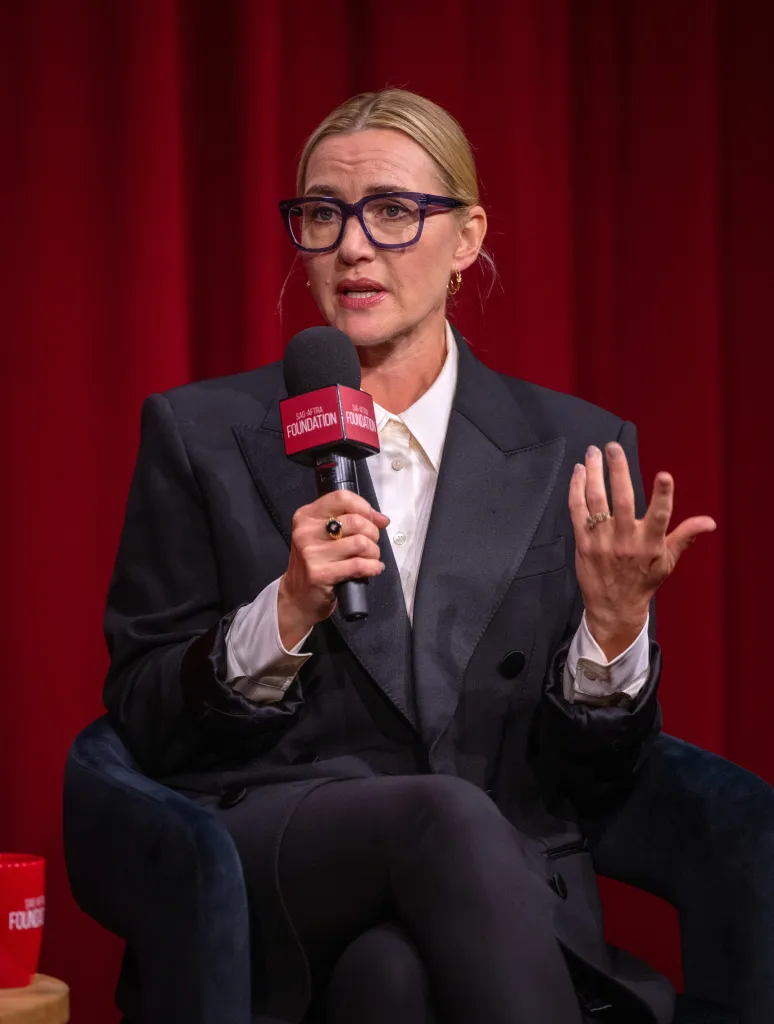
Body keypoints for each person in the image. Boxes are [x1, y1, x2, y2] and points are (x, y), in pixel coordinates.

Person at [104, 90, 716, 1024]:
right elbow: (143, 711)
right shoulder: (199, 435)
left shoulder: (574, 449)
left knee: (390, 980)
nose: (353, 246)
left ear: (468, 237)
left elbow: (592, 782)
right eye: (324, 214)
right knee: (445, 813)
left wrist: (612, 634)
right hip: (279, 850)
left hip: (490, 896)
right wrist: (282, 614)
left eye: (392, 211)